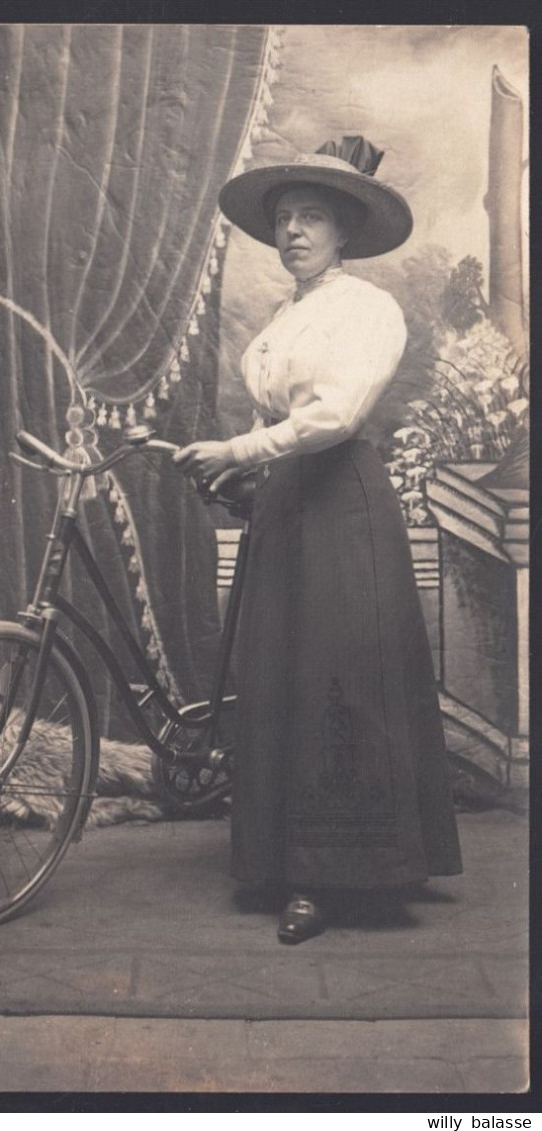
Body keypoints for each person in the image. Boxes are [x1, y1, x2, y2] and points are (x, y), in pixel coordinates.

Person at [173, 136, 463, 945]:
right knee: (280, 677)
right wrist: (240, 473)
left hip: (344, 507)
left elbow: (333, 417)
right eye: (284, 219)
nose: (293, 232)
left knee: (337, 681)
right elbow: (280, 421)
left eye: (311, 218)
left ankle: (334, 876)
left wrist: (237, 450)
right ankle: (279, 857)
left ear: (344, 231)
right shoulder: (284, 315)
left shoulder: (367, 310)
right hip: (289, 504)